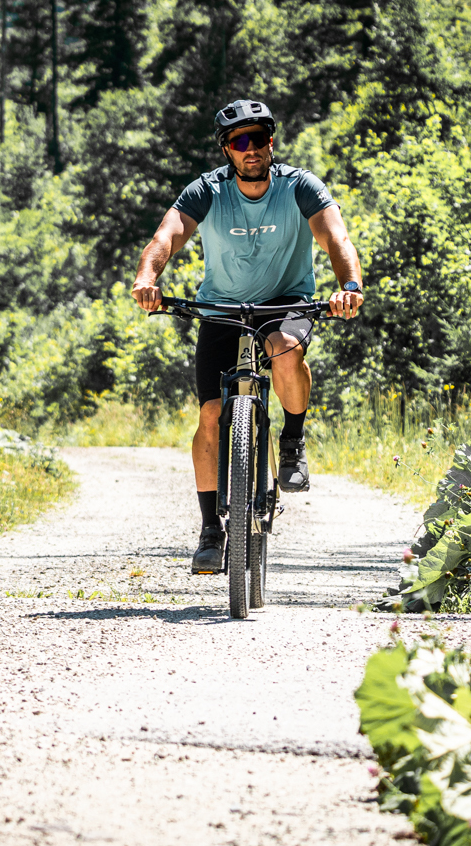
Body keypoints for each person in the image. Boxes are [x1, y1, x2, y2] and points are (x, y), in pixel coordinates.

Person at [130, 99, 364, 574]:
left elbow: (335, 238)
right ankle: (210, 530)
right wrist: (147, 279)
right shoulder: (207, 190)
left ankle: (293, 443)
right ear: (227, 149)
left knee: (283, 352)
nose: (251, 148)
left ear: (270, 143)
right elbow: (166, 236)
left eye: (259, 138)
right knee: (211, 414)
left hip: (286, 304)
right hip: (221, 309)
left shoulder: (300, 187)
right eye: (240, 141)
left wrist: (349, 286)